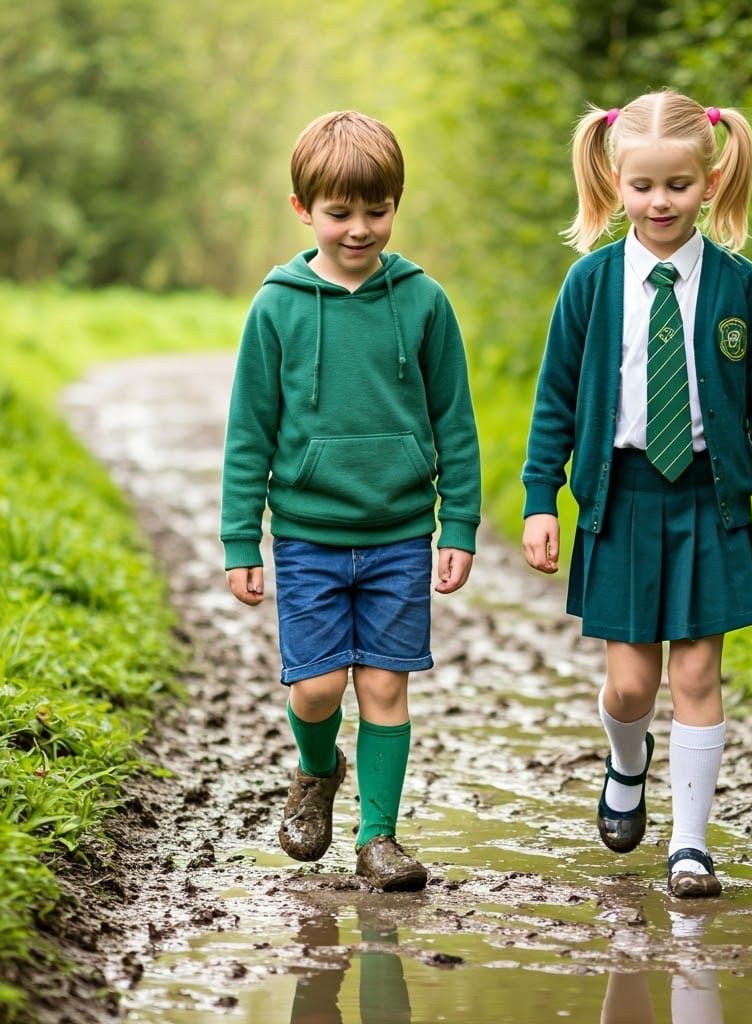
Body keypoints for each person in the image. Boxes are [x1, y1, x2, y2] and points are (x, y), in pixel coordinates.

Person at [521, 89, 752, 898]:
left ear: (710, 181)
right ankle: (625, 758)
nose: (659, 203)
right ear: (615, 183)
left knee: (697, 679)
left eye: (677, 186)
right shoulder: (589, 285)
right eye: (642, 187)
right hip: (621, 499)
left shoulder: (738, 287)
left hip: (710, 501)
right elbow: (554, 401)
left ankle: (689, 846)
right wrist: (542, 497)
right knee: (633, 686)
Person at [221, 110, 481, 892]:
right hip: (307, 535)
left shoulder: (424, 302)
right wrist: (242, 540)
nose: (360, 228)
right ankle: (315, 769)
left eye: (377, 210)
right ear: (304, 210)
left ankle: (379, 838)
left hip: (401, 533)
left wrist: (459, 522)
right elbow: (249, 431)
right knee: (316, 688)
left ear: (396, 204)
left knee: (384, 688)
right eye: (340, 213)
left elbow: (456, 422)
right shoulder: (278, 307)